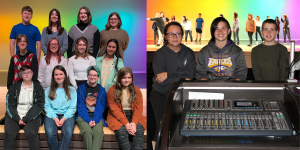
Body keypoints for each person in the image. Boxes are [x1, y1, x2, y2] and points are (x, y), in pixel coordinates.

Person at [148, 21, 196, 148]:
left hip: (182, 94)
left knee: (181, 128)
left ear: (182, 35)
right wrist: (180, 76)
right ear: (165, 36)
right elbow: (160, 80)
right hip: (161, 94)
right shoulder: (159, 54)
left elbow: (190, 76)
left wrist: (168, 74)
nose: (175, 37)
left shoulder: (189, 53)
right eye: (171, 34)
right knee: (162, 128)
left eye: (178, 34)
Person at [4, 65, 45, 150]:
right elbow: (9, 104)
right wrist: (17, 118)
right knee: (9, 133)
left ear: (32, 73)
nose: (26, 74)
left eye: (29, 72)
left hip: (32, 116)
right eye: (24, 73)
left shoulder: (38, 88)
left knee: (32, 133)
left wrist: (26, 118)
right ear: (21, 74)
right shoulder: (14, 87)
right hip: (15, 115)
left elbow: (39, 105)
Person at [107, 67, 146, 150]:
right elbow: (115, 110)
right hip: (117, 117)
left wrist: (134, 123)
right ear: (119, 78)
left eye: (129, 78)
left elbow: (139, 109)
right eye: (124, 78)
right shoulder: (112, 90)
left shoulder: (137, 90)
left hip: (134, 115)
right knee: (121, 131)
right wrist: (127, 124)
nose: (126, 80)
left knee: (138, 130)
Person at [44, 65, 77, 150]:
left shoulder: (72, 90)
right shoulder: (48, 90)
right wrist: (55, 118)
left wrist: (63, 119)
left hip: (67, 115)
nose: (59, 77)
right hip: (52, 115)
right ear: (53, 76)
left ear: (65, 75)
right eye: (56, 75)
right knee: (50, 133)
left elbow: (72, 108)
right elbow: (47, 106)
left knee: (68, 133)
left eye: (61, 74)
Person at [76, 66, 107, 150]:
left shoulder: (102, 90)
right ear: (87, 76)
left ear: (98, 77)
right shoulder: (80, 89)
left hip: (97, 116)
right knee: (87, 132)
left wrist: (95, 120)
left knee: (98, 132)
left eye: (95, 75)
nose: (92, 77)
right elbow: (81, 107)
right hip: (83, 116)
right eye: (90, 75)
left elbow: (100, 108)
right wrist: (89, 120)